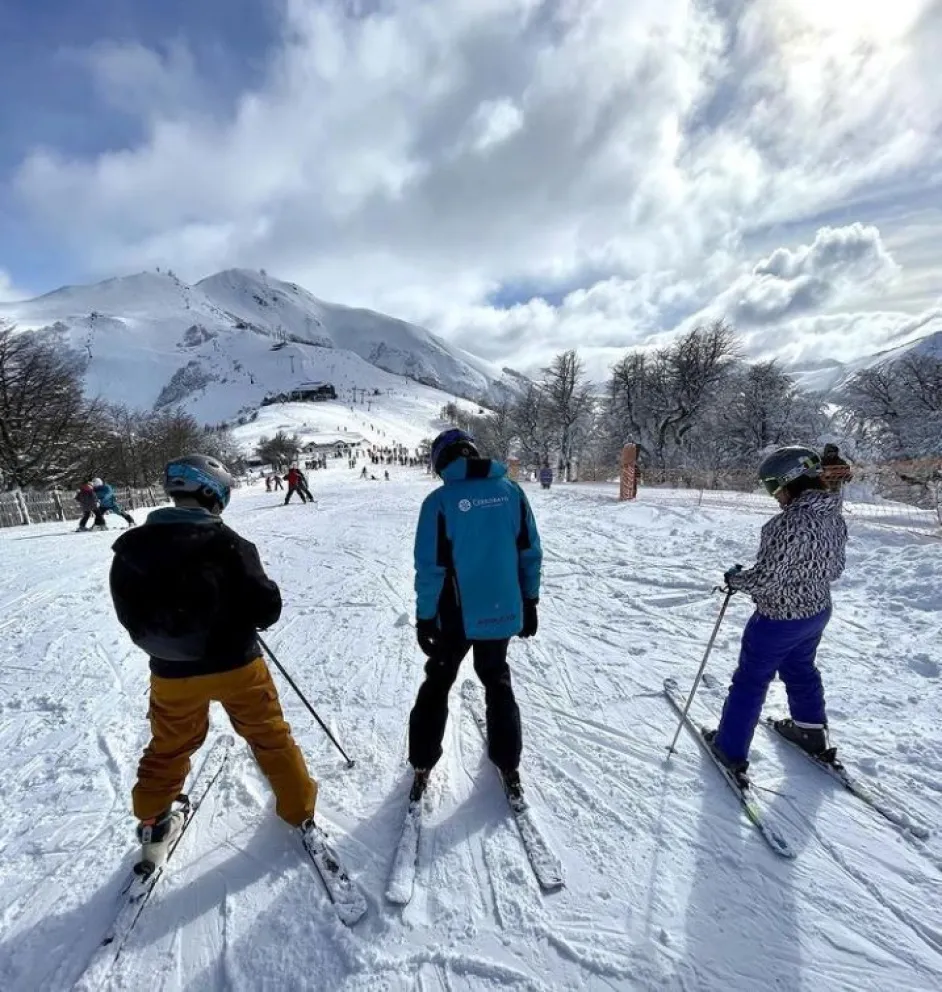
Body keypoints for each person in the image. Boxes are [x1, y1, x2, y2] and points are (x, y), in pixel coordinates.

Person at [109, 454, 318, 869]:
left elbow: (128, 613)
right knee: (269, 735)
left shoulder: (131, 548)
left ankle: (153, 824)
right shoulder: (229, 543)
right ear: (213, 494)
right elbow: (266, 608)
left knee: (168, 747)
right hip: (238, 666)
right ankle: (299, 809)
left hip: (171, 673)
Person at [408, 428, 542, 803]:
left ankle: (421, 760)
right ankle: (508, 760)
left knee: (437, 682)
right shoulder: (512, 493)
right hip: (501, 611)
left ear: (440, 463)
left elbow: (430, 568)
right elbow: (530, 552)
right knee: (497, 680)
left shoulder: (438, 503)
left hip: (454, 617)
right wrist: (530, 601)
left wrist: (424, 618)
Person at [705, 446, 847, 782]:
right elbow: (835, 568)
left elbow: (767, 581)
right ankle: (810, 731)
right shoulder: (834, 517)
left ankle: (730, 747)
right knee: (801, 670)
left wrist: (736, 579)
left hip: (778, 619)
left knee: (751, 681)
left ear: (789, 481)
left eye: (773, 486)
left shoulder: (785, 525)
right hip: (816, 612)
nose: (774, 496)